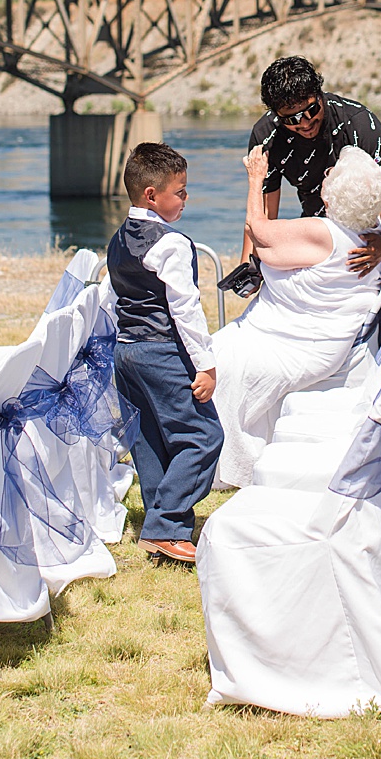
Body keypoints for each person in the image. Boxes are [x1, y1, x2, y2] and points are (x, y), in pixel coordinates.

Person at [212, 144, 381, 487]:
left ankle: (218, 458)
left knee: (217, 358)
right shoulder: (373, 231)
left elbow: (259, 233)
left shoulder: (324, 234)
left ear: (331, 194)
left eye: (330, 174)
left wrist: (256, 179)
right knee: (219, 349)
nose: (325, 174)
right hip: (323, 342)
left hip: (297, 344)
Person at [107, 142, 224, 563]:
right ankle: (167, 523)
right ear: (152, 195)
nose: (186, 199)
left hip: (126, 351)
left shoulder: (118, 239)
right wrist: (205, 364)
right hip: (160, 350)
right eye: (180, 191)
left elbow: (115, 296)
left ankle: (160, 528)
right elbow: (185, 308)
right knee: (203, 436)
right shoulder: (170, 243)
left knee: (150, 440)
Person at [245, 56, 381, 340]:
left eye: (311, 110)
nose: (305, 123)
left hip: (375, 232)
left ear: (319, 94)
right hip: (319, 233)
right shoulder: (266, 135)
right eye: (291, 119)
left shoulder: (358, 122)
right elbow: (264, 216)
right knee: (326, 329)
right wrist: (250, 265)